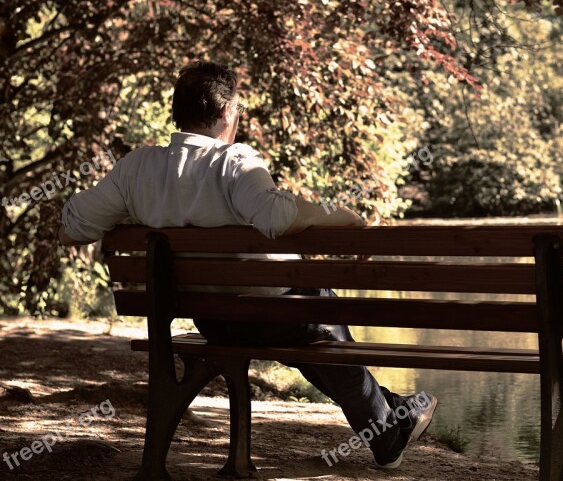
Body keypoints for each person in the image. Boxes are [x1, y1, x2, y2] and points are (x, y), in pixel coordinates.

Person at [58, 60, 436, 468]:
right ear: (226, 112)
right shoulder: (234, 160)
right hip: (277, 314)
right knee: (317, 314)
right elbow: (275, 217)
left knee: (310, 332)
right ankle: (387, 431)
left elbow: (72, 228)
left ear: (178, 112)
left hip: (210, 320)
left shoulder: (137, 167)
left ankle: (393, 414)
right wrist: (343, 216)